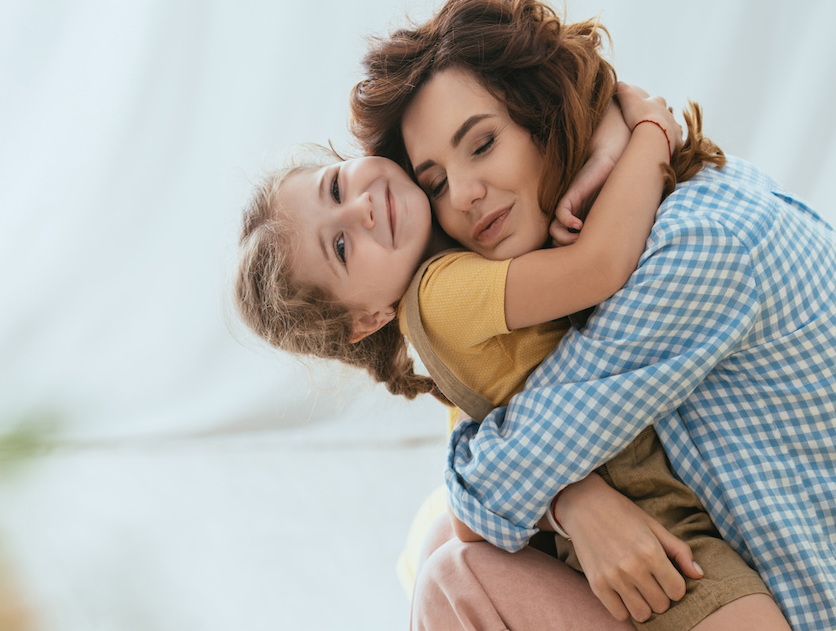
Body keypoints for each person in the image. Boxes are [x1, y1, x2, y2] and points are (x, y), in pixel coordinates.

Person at [350, 0, 836, 631]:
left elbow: (488, 492)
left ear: (541, 114)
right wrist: (631, 125)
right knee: (439, 554)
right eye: (437, 183)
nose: (468, 195)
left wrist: (567, 501)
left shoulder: (696, 249)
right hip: (780, 581)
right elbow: (507, 413)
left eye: (482, 144)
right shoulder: (648, 204)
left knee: (457, 574)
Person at [234, 59, 791, 631]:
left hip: (635, 491)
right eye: (343, 248)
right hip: (649, 506)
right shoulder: (440, 295)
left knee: (438, 553)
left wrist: (610, 130)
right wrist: (651, 131)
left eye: (334, 187)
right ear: (368, 320)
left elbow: (585, 105)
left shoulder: (451, 234)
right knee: (452, 569)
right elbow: (598, 265)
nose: (362, 207)